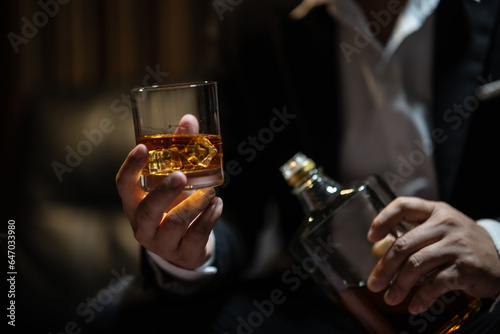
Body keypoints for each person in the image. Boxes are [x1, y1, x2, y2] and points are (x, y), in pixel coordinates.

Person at [115, 0, 500, 332]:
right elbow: (235, 201)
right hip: (329, 306)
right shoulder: (253, 19)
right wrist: (189, 245)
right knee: (126, 320)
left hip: (483, 298)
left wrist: (494, 246)